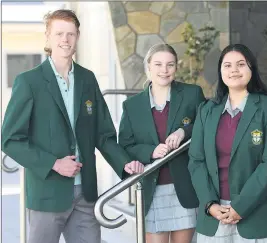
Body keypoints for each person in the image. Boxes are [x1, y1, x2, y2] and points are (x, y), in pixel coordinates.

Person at [1, 9, 138, 243]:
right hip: (47, 194)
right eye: (59, 34)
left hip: (86, 193)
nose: (65, 40)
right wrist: (53, 164)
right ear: (48, 37)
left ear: (78, 37)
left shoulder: (88, 79)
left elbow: (103, 134)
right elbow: (10, 139)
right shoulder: (29, 81)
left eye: (71, 34)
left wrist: (126, 164)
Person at [188, 43, 267, 242]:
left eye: (241, 64)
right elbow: (196, 161)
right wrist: (210, 204)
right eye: (227, 65)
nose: (234, 70)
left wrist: (240, 206)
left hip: (259, 217)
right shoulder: (206, 110)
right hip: (214, 218)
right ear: (220, 71)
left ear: (251, 69)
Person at [118, 43, 206, 243]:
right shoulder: (132, 106)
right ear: (148, 67)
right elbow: (125, 145)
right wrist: (151, 151)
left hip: (185, 187)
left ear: (176, 67)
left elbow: (207, 126)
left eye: (170, 64)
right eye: (158, 64)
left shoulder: (192, 94)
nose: (164, 70)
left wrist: (184, 131)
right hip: (152, 189)